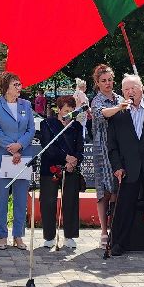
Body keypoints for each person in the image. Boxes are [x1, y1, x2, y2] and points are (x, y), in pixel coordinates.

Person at [106, 74, 144, 257]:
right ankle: (119, 243)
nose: (130, 92)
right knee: (124, 207)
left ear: (142, 88)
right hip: (128, 169)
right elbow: (112, 145)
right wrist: (117, 167)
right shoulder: (117, 113)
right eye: (126, 89)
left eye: (133, 88)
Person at [0, 73, 36, 249]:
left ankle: (18, 235)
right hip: (2, 157)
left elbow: (31, 129)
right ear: (6, 87)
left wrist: (19, 146)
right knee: (1, 199)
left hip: (22, 157)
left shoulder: (26, 105)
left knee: (21, 199)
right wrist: (11, 148)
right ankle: (2, 235)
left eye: (20, 84)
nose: (19, 87)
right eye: (15, 84)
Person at [38, 94, 84, 251]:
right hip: (50, 167)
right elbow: (48, 147)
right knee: (48, 202)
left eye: (72, 110)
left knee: (71, 202)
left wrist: (74, 160)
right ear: (58, 110)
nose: (69, 114)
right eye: (66, 110)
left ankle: (69, 236)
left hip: (71, 168)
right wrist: (65, 158)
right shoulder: (47, 124)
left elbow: (80, 148)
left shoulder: (77, 126)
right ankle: (49, 237)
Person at [87, 64, 125, 252]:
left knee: (118, 188)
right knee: (103, 192)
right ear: (97, 82)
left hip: (119, 148)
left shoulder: (120, 98)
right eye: (104, 81)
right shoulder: (96, 101)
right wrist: (120, 108)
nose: (108, 83)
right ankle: (103, 231)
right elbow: (104, 114)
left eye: (110, 80)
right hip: (102, 149)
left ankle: (115, 229)